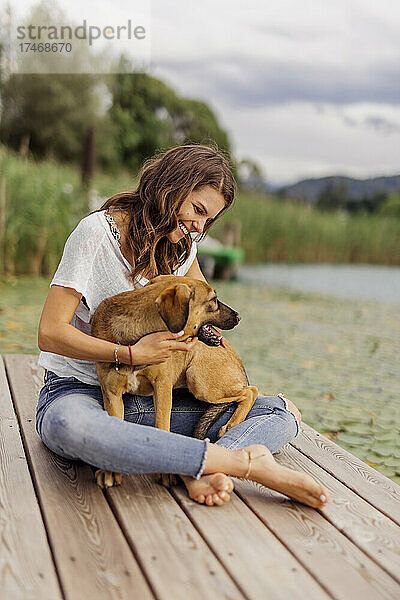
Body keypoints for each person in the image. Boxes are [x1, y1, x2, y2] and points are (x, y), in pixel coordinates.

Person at [37, 143, 329, 508]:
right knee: (70, 428)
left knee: (280, 413)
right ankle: (238, 462)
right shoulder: (95, 234)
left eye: (209, 221)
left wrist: (204, 341)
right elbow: (49, 333)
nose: (199, 226)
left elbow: (204, 314)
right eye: (197, 210)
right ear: (170, 187)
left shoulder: (182, 249)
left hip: (148, 400)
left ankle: (194, 466)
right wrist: (127, 352)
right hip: (79, 392)